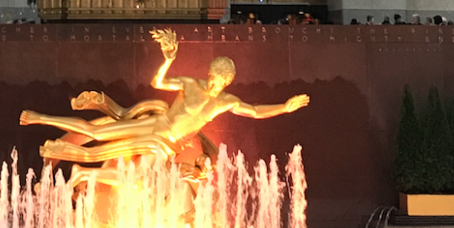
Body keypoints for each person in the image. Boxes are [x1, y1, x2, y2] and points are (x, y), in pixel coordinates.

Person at [20, 27, 310, 166]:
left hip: (168, 144)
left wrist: (285, 107)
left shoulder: (226, 102)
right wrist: (169, 58)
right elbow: (157, 81)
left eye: (218, 79)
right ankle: (39, 118)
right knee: (98, 130)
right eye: (211, 75)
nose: (212, 81)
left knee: (100, 150)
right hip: (157, 125)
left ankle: (61, 149)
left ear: (227, 81)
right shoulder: (190, 84)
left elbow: (256, 111)